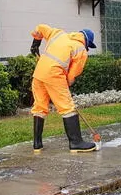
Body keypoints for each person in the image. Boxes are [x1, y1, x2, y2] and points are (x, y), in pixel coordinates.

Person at [30, 24, 97, 153]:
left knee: (39, 107)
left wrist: (36, 43)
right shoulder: (81, 50)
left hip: (38, 74)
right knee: (67, 107)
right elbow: (71, 76)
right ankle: (76, 142)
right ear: (87, 41)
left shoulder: (58, 34)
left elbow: (40, 28)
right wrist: (67, 84)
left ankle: (37, 144)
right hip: (54, 75)